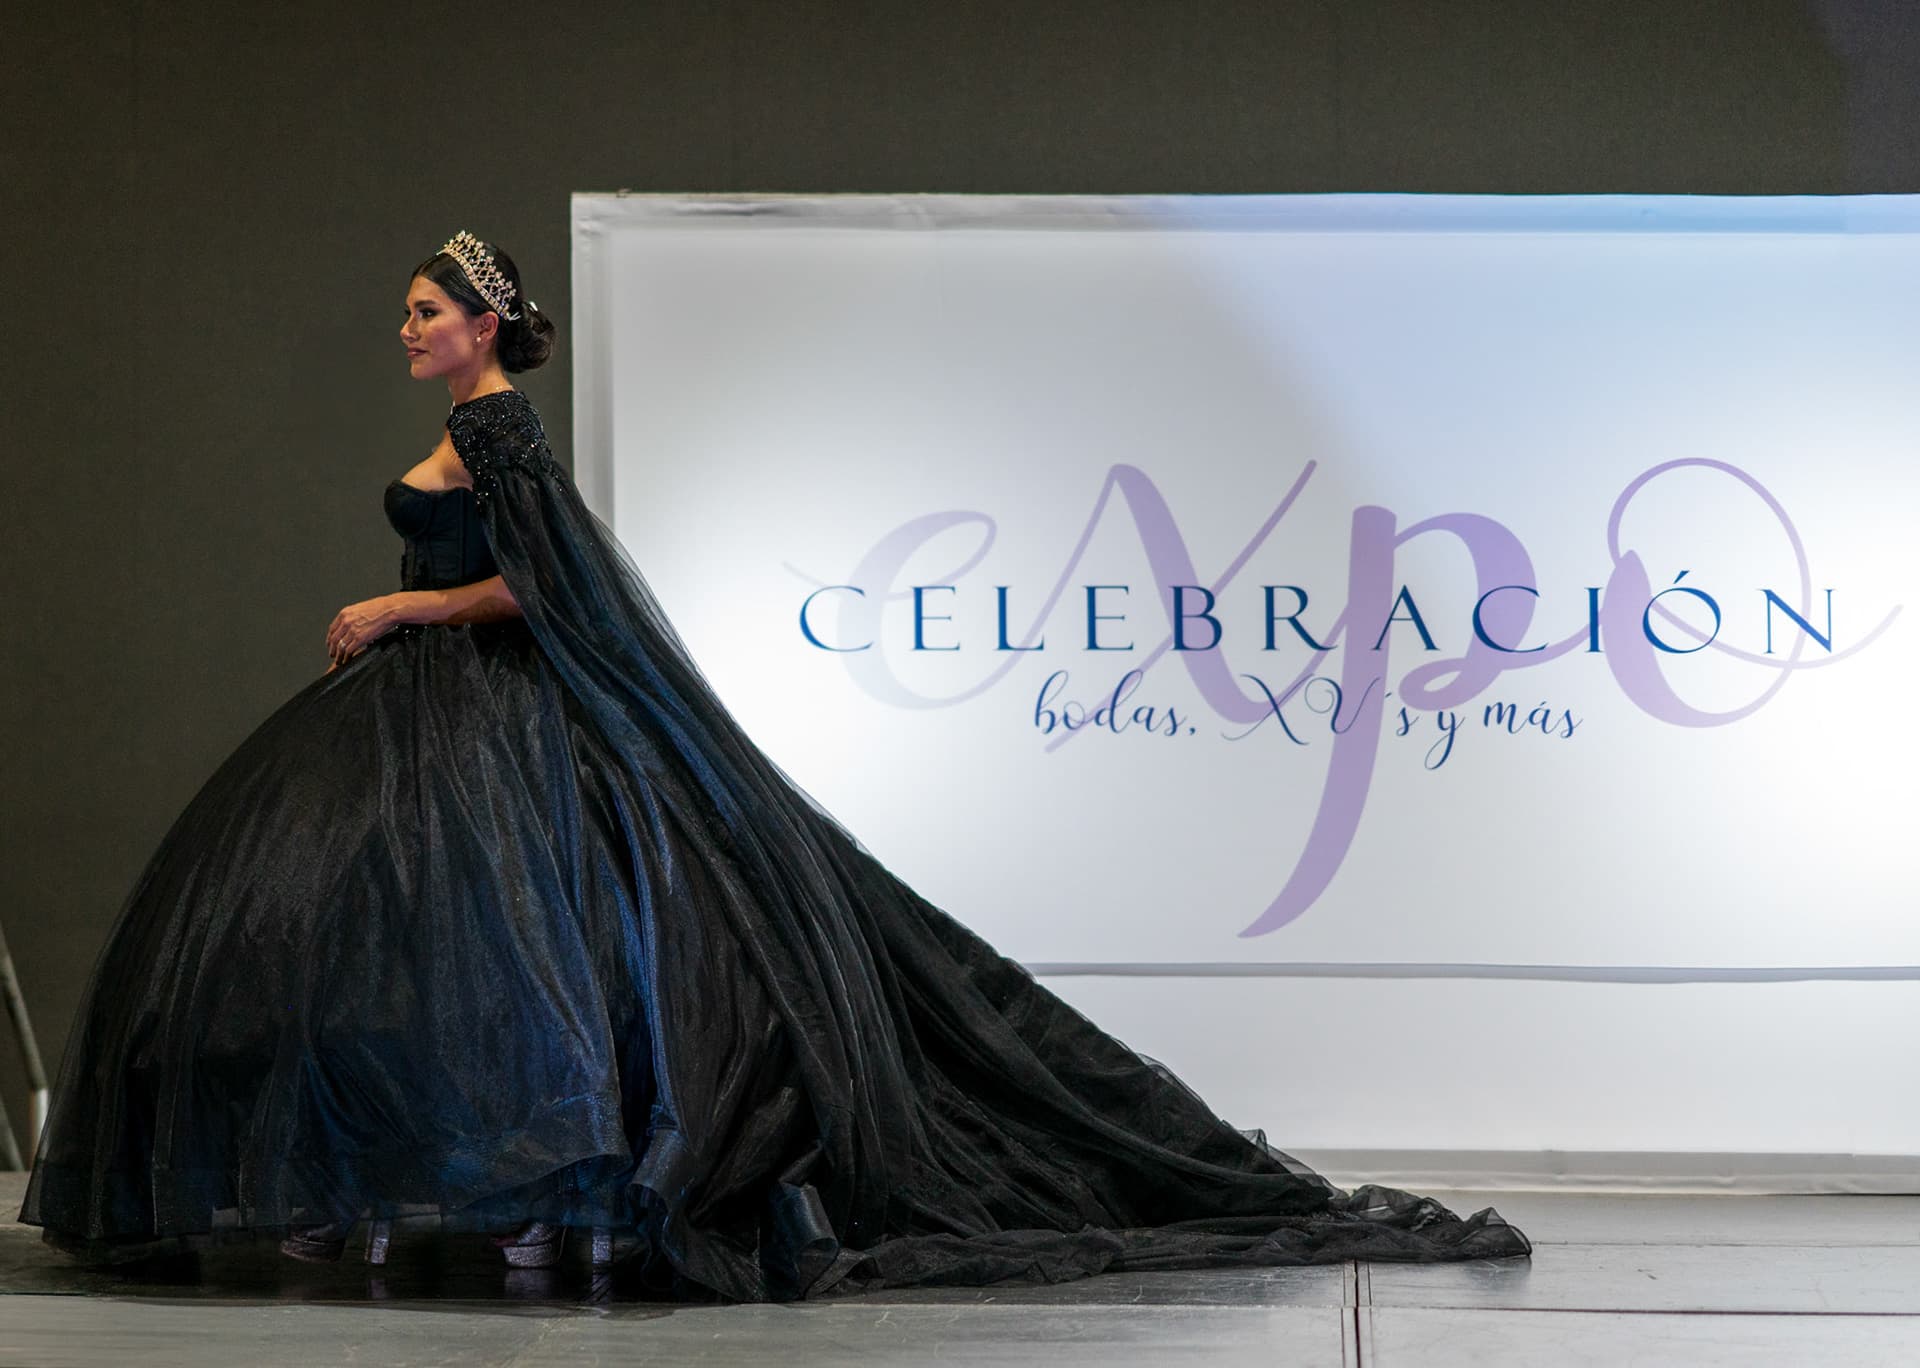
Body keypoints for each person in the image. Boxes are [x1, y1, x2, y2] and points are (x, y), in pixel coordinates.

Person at [17, 231, 1531, 1300]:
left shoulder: (501, 430)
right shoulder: (468, 426)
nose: (407, 328)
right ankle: (391, 1200)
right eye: (408, 311)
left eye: (426, 310)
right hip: (422, 717)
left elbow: (544, 586)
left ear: (484, 324)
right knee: (387, 946)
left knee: (534, 951)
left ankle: (538, 1197)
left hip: (485, 705)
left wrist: (401, 603)